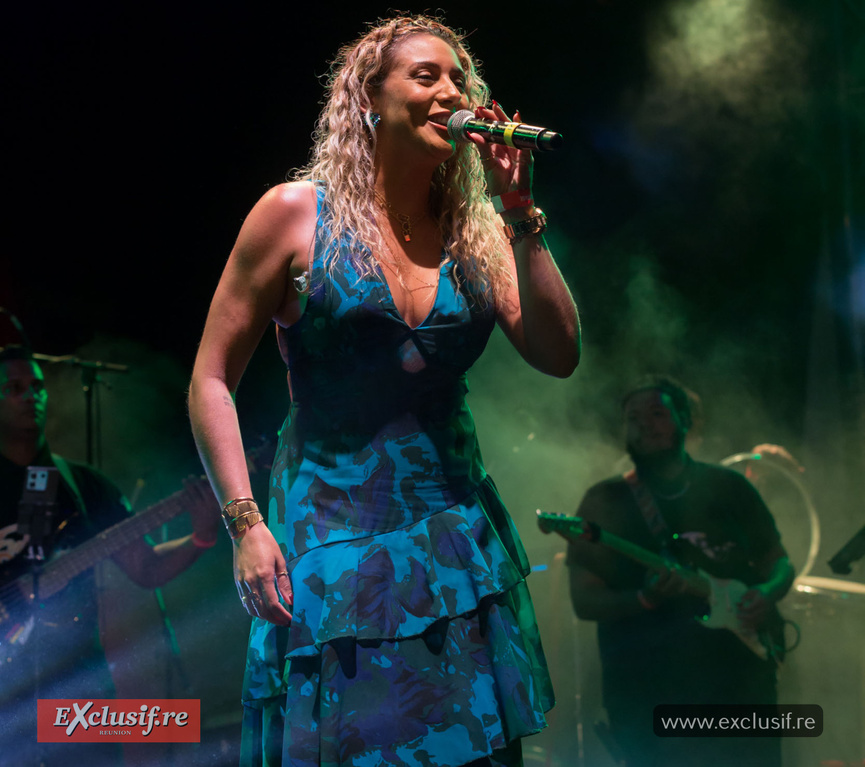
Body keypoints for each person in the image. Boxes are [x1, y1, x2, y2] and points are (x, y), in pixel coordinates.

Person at [188, 13, 580, 767]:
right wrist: (244, 524)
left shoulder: (476, 230)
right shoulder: (293, 215)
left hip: (455, 541)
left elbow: (558, 355)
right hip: (333, 539)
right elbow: (210, 378)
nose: (449, 93)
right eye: (425, 76)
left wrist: (520, 214)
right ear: (369, 99)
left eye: (458, 78)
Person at [0, 345, 220, 765]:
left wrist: (201, 536)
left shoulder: (85, 486)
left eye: (37, 386)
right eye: (14, 388)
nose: (32, 396)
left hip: (76, 684)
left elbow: (145, 566)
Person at [566, 375, 795, 767]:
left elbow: (780, 562)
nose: (643, 423)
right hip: (650, 696)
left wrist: (767, 594)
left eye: (657, 413)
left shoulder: (730, 487)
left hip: (741, 686)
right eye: (633, 417)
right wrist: (645, 598)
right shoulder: (606, 502)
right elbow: (585, 601)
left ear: (687, 421)